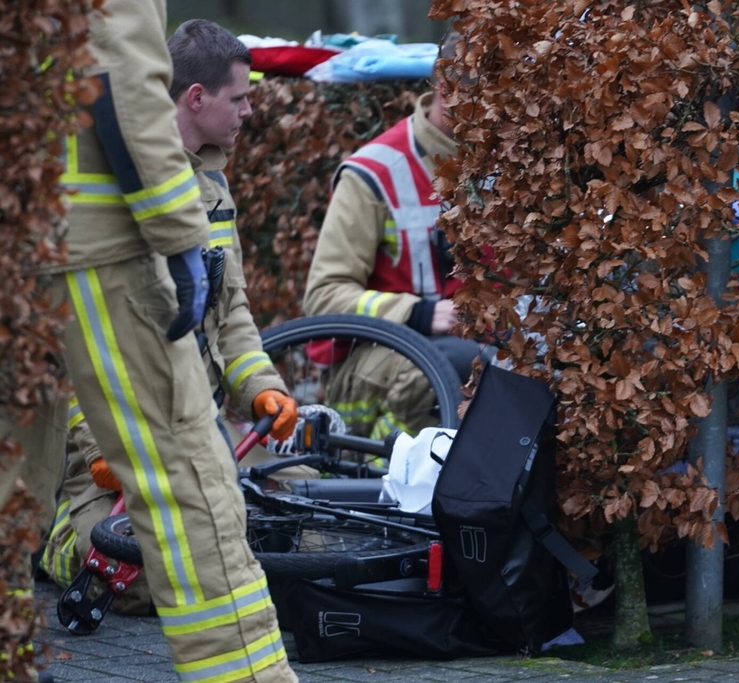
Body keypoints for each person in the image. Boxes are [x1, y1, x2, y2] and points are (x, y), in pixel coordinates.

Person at [0, 4, 299, 682]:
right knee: (191, 483)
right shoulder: (182, 186)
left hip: (23, 234)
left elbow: (232, 313)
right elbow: (123, 73)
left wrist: (261, 385)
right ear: (194, 97)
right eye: (240, 99)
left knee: (12, 474)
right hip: (96, 246)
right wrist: (175, 229)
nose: (249, 111)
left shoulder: (216, 183)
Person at [304, 29, 491, 438]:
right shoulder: (374, 173)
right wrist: (418, 314)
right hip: (377, 365)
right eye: (488, 97)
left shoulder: (510, 166)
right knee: (459, 361)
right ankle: (392, 467)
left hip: (477, 352)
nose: (500, 114)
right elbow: (323, 298)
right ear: (446, 88)